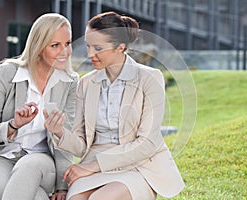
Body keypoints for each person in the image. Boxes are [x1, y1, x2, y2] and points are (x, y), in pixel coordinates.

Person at [45, 11, 185, 200]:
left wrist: (92, 166)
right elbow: (81, 145)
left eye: (98, 48)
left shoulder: (149, 78)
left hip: (137, 166)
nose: (90, 54)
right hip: (94, 165)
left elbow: (147, 143)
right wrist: (60, 132)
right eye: (87, 46)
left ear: (120, 47)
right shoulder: (86, 84)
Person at [0, 13, 78, 200]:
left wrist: (62, 186)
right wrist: (13, 125)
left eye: (67, 44)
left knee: (30, 163)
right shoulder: (8, 73)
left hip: (40, 164)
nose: (65, 52)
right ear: (38, 46)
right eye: (55, 45)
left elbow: (65, 139)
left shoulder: (69, 82)